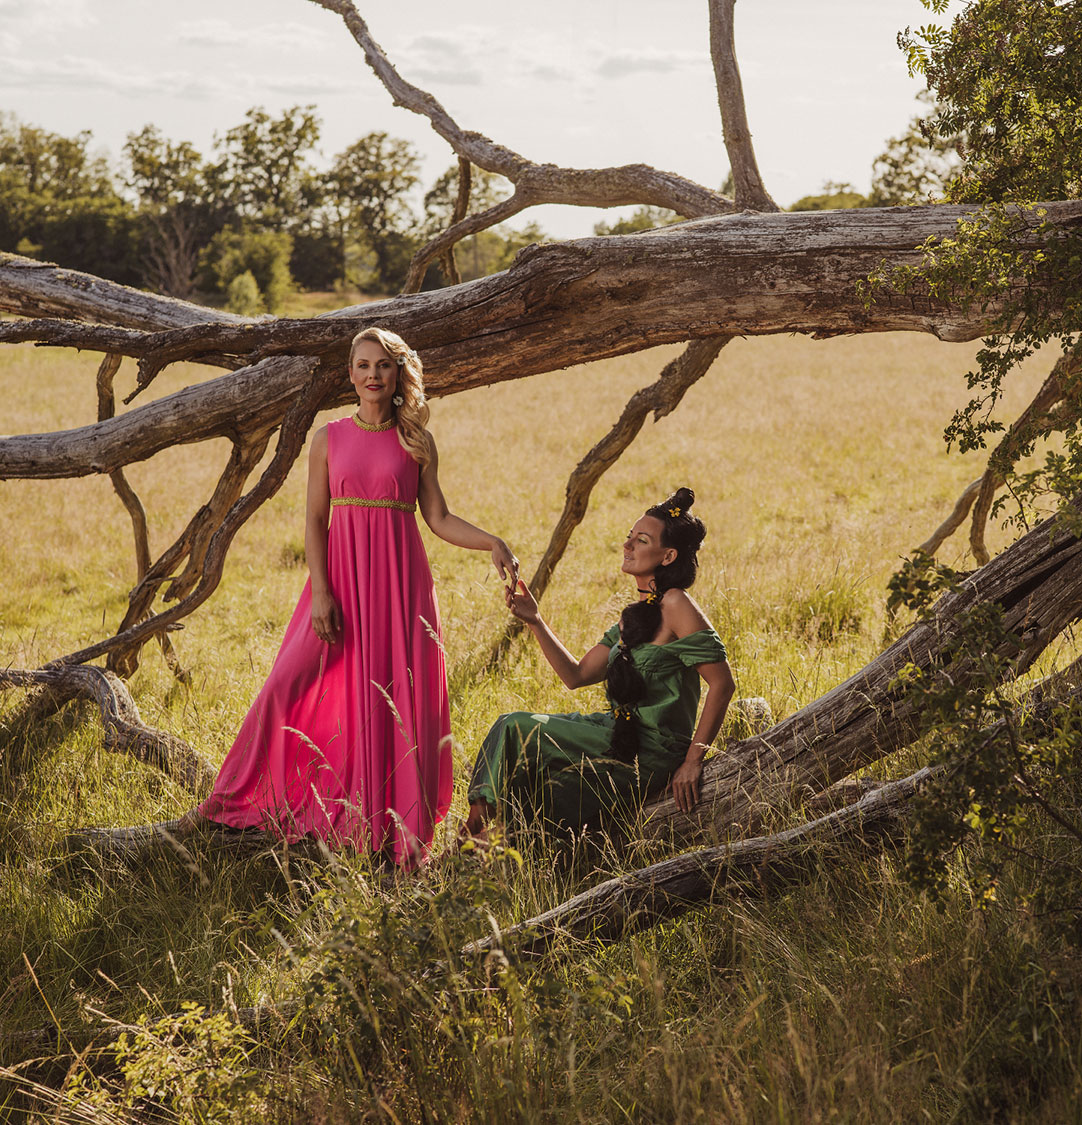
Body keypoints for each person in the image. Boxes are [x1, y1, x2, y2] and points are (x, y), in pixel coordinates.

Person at [195, 326, 517, 865]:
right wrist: (322, 592)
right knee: (285, 682)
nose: (373, 375)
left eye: (383, 367)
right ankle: (249, 795)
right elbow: (315, 520)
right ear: (350, 374)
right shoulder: (329, 438)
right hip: (339, 582)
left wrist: (493, 541)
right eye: (363, 366)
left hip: (400, 585)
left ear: (397, 377)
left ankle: (383, 827)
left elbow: (436, 517)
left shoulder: (416, 441)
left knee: (389, 699)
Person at [463, 487, 735, 840]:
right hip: (615, 734)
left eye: (641, 540)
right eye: (629, 538)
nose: (627, 546)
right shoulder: (634, 618)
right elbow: (576, 675)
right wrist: (535, 620)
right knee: (530, 765)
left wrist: (693, 761)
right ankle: (475, 845)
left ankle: (465, 840)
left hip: (652, 749)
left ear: (667, 556)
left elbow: (722, 683)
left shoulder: (675, 603)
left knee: (515, 726)